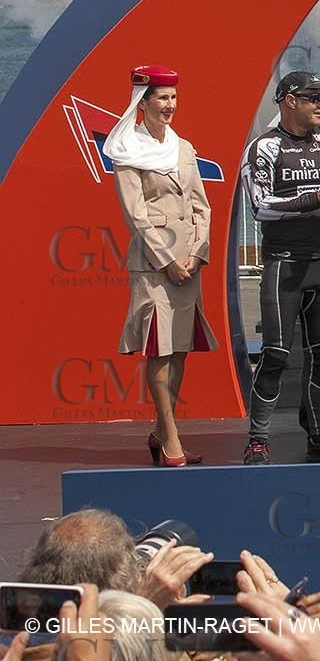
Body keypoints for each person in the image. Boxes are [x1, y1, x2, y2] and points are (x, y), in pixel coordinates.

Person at [241, 70, 320, 464]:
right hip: (284, 265)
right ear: (289, 100)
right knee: (276, 353)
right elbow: (260, 207)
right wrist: (317, 197)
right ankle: (258, 439)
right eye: (313, 98)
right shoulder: (264, 148)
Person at [105, 65, 217, 467]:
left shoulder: (183, 147)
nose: (169, 105)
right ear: (143, 102)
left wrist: (196, 253)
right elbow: (135, 214)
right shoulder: (126, 149)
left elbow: (202, 206)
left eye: (173, 97)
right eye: (162, 98)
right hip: (154, 265)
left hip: (189, 262)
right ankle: (171, 439)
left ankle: (159, 430)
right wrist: (168, 260)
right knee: (160, 350)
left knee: (181, 348)